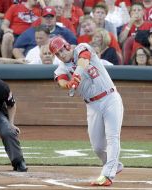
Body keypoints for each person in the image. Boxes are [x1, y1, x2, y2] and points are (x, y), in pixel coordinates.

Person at [49, 36, 124, 186]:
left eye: (62, 50)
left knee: (112, 137)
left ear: (67, 46)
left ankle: (108, 175)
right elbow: (61, 81)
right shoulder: (61, 68)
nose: (61, 54)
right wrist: (69, 83)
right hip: (92, 105)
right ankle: (115, 165)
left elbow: (84, 59)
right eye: (57, 54)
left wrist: (77, 74)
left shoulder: (81, 48)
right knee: (97, 147)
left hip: (110, 98)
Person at [12, 6, 77, 59]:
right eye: (46, 17)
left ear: (55, 18)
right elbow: (16, 49)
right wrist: (24, 61)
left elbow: (74, 46)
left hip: (57, 63)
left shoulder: (64, 31)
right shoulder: (31, 32)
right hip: (34, 63)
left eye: (51, 17)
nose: (48, 19)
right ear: (41, 18)